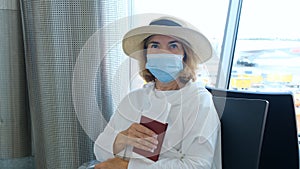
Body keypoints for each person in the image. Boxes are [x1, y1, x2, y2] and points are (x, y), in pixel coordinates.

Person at [93, 16, 221, 169]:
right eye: (155, 45)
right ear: (146, 55)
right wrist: (121, 139)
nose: (163, 53)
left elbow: (198, 165)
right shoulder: (134, 98)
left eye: (173, 46)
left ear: (185, 57)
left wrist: (128, 166)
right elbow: (99, 152)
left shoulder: (198, 101)